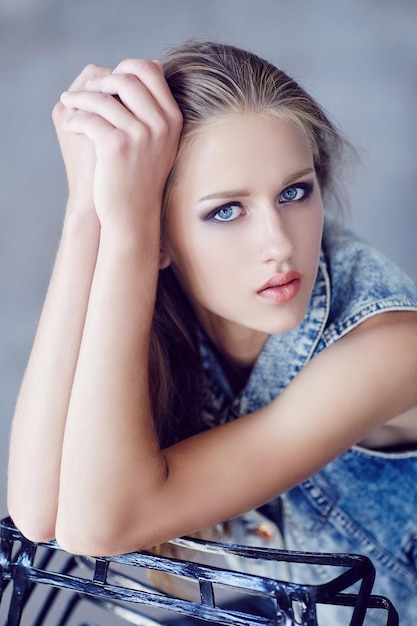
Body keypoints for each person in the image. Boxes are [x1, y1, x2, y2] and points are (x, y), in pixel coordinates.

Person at [7, 41, 417, 624]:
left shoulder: (389, 348)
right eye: (226, 210)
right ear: (163, 235)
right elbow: (37, 511)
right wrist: (89, 213)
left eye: (294, 192)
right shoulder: (165, 300)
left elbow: (102, 524)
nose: (279, 243)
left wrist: (129, 232)